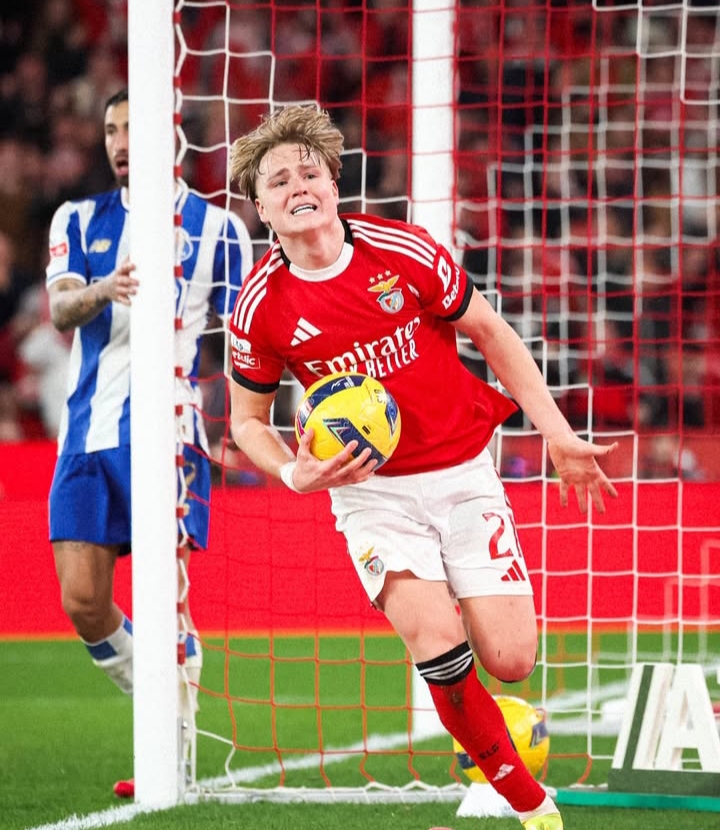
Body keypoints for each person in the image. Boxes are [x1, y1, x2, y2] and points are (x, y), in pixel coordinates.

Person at [226, 104, 617, 830]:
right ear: (261, 207)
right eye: (278, 181)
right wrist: (292, 474)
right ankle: (535, 809)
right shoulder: (260, 308)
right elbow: (246, 422)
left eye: (309, 171)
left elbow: (491, 332)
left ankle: (485, 724)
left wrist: (558, 433)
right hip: (371, 494)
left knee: (508, 660)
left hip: (464, 470)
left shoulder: (400, 251)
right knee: (437, 644)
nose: (297, 185)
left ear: (334, 183)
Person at [46, 89, 253, 796]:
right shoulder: (77, 218)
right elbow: (61, 308)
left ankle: (172, 750)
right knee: (82, 602)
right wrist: (106, 286)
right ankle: (161, 707)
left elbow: (251, 338)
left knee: (166, 597)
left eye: (134, 127)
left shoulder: (220, 229)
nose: (120, 141)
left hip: (168, 429)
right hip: (86, 432)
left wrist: (249, 424)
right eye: (110, 129)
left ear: (172, 132)